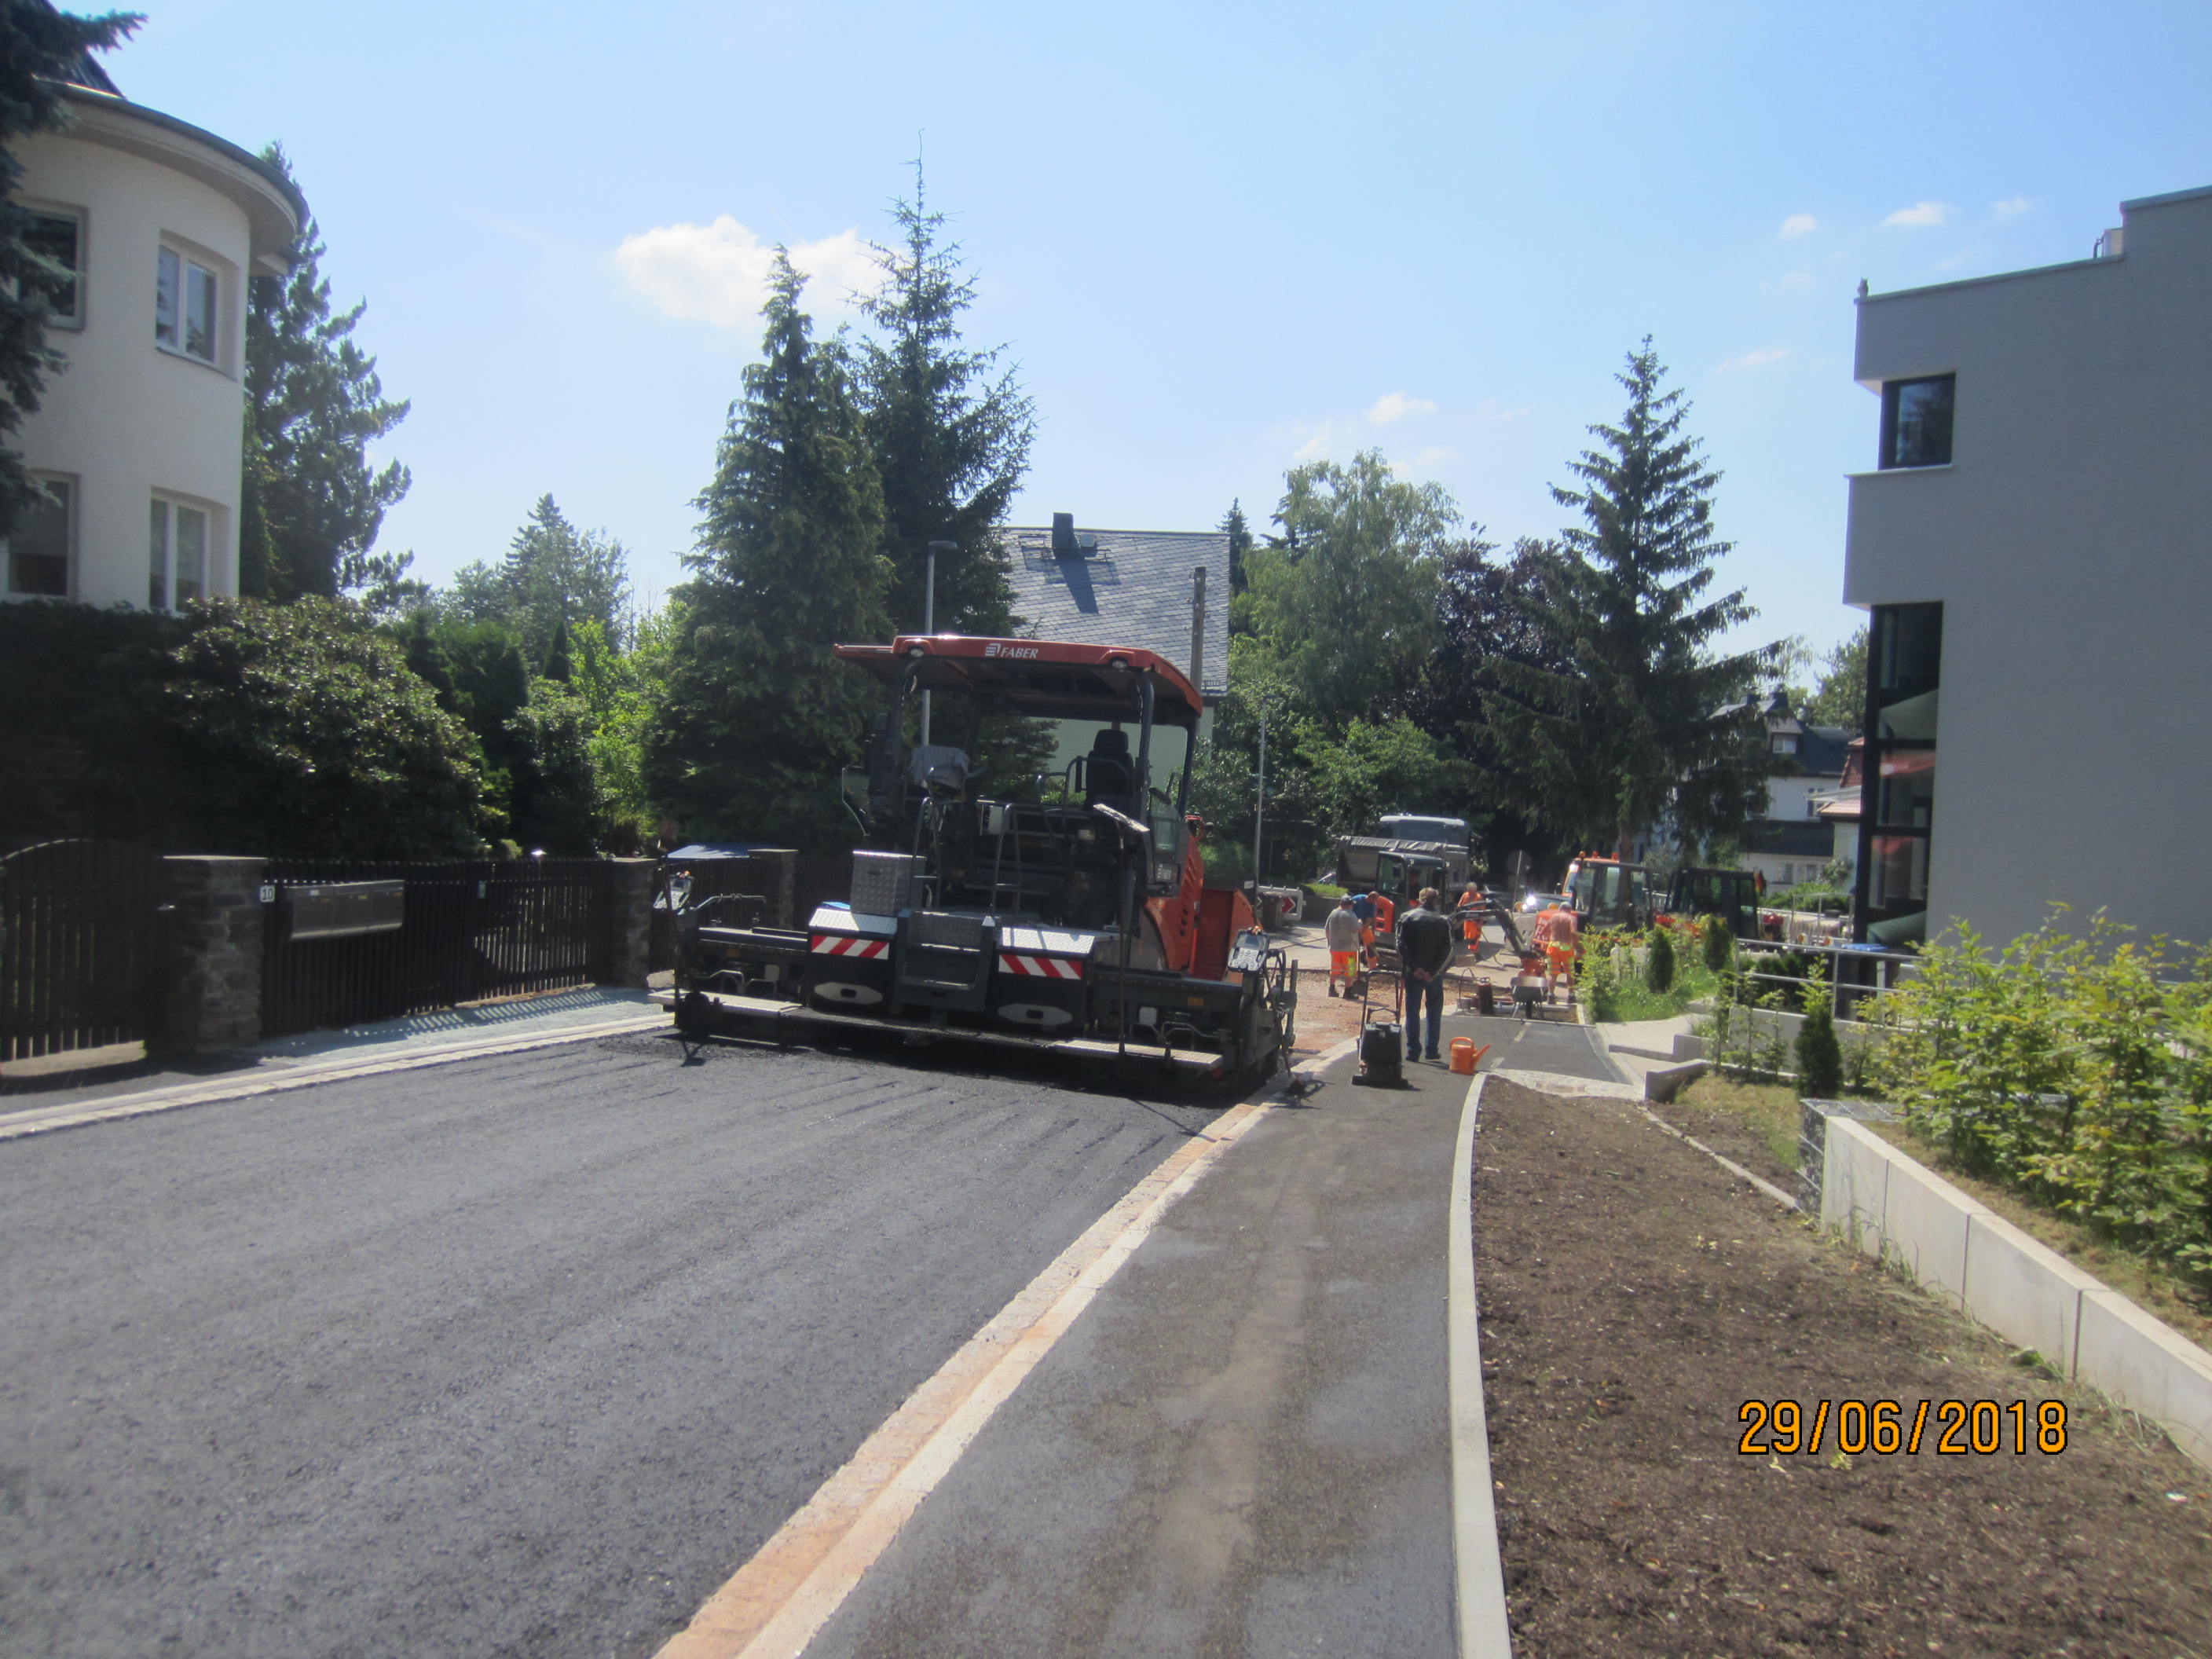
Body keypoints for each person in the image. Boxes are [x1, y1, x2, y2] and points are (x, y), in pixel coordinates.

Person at [1398, 888, 1457, 1060]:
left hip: (1413, 973)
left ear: (1420, 899)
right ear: (1437, 901)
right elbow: (1448, 949)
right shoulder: (1444, 921)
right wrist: (1434, 971)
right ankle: (1432, 1050)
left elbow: (1401, 945)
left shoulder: (1407, 918)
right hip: (1434, 974)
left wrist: (1414, 967)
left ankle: (1413, 1051)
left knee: (1412, 1011)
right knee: (1434, 1012)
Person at [1532, 899, 1580, 1002]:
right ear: (1570, 910)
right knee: (1570, 973)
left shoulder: (1554, 917)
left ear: (1560, 909)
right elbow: (1573, 932)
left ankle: (1551, 995)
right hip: (1567, 947)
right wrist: (1576, 944)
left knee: (1553, 974)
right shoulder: (1572, 918)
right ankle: (1571, 996)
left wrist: (1552, 939)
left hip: (1553, 946)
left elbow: (1544, 932)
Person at [1323, 895, 1363, 998]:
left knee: (1335, 968)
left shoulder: (1333, 913)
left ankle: (1331, 988)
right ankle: (1348, 991)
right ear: (1349, 905)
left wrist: (1330, 943)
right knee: (1350, 969)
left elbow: (1327, 930)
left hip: (1335, 948)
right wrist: (1360, 923)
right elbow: (1355, 929)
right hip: (1349, 950)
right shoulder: (1351, 915)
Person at [1350, 888, 1376, 969]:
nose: (1375, 903)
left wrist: (1362, 932)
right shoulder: (1357, 899)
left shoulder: (1373, 905)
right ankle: (1351, 969)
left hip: (1364, 926)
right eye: (1374, 900)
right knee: (1352, 948)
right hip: (1352, 925)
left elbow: (1369, 919)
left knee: (1371, 946)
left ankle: (1373, 969)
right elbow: (1348, 912)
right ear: (1370, 897)